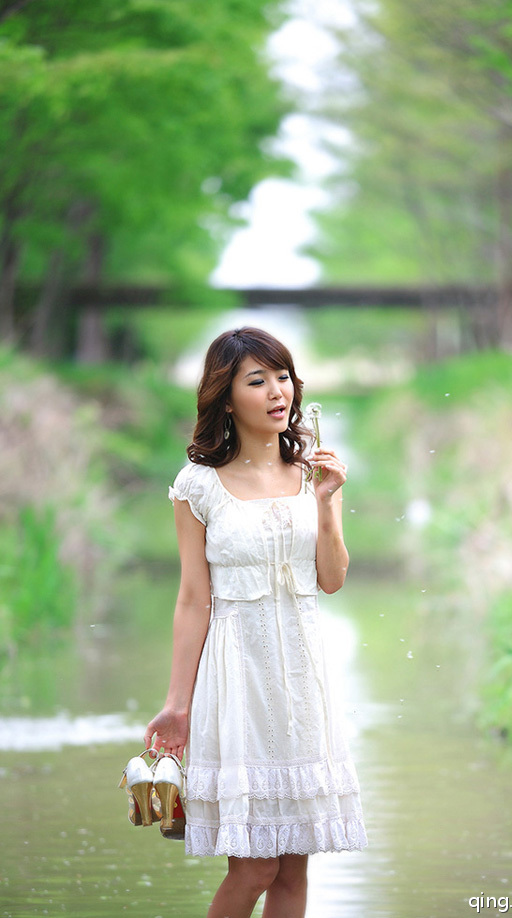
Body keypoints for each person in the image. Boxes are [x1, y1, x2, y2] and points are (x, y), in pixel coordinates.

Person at [144, 327, 367, 918]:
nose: (278, 391)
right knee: (254, 867)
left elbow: (332, 577)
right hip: (236, 679)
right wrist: (177, 703)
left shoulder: (315, 473)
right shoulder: (197, 486)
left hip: (302, 679)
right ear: (225, 396)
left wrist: (326, 504)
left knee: (294, 868)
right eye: (257, 380)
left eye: (284, 376)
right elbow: (194, 599)